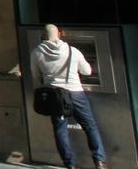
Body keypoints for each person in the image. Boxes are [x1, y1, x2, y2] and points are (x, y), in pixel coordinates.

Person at [30, 24, 107, 169]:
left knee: (60, 130)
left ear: (43, 35)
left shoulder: (36, 53)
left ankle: (71, 165)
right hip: (76, 93)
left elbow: (36, 77)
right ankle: (100, 161)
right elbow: (87, 71)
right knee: (89, 126)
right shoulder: (73, 51)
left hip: (55, 96)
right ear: (59, 34)